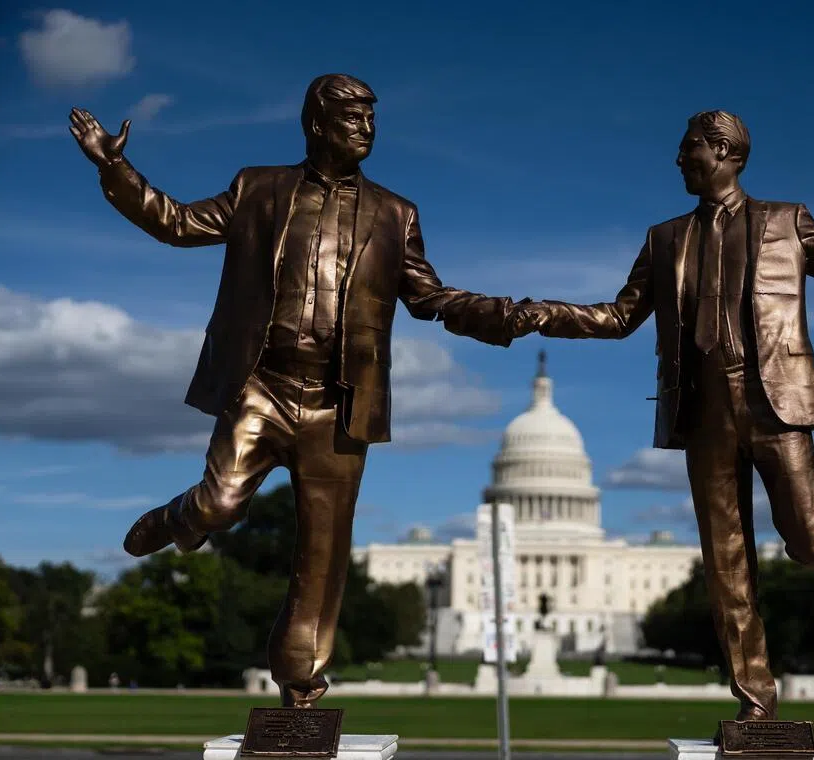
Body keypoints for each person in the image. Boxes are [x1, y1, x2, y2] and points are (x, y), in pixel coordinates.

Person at [69, 74, 524, 708]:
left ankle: (300, 687)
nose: (367, 129)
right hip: (262, 385)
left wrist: (507, 314)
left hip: (338, 403)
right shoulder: (258, 188)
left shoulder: (396, 213)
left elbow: (430, 297)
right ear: (316, 124)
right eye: (353, 118)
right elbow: (174, 223)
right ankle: (178, 519)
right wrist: (115, 167)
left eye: (371, 117)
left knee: (322, 554)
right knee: (221, 504)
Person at [510, 110, 814, 720]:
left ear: (725, 152)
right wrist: (537, 313)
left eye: (689, 149)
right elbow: (619, 318)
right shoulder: (664, 237)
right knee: (727, 565)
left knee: (811, 544)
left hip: (774, 402)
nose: (678, 161)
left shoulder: (787, 220)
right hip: (702, 413)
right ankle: (756, 701)